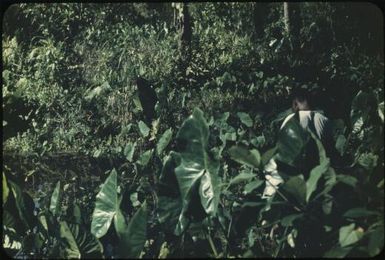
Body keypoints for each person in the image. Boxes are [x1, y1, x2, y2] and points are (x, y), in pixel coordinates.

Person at [262, 88, 336, 199]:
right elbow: (329, 152)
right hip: (311, 178)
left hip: (283, 175)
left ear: (295, 104)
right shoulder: (324, 120)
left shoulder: (290, 119)